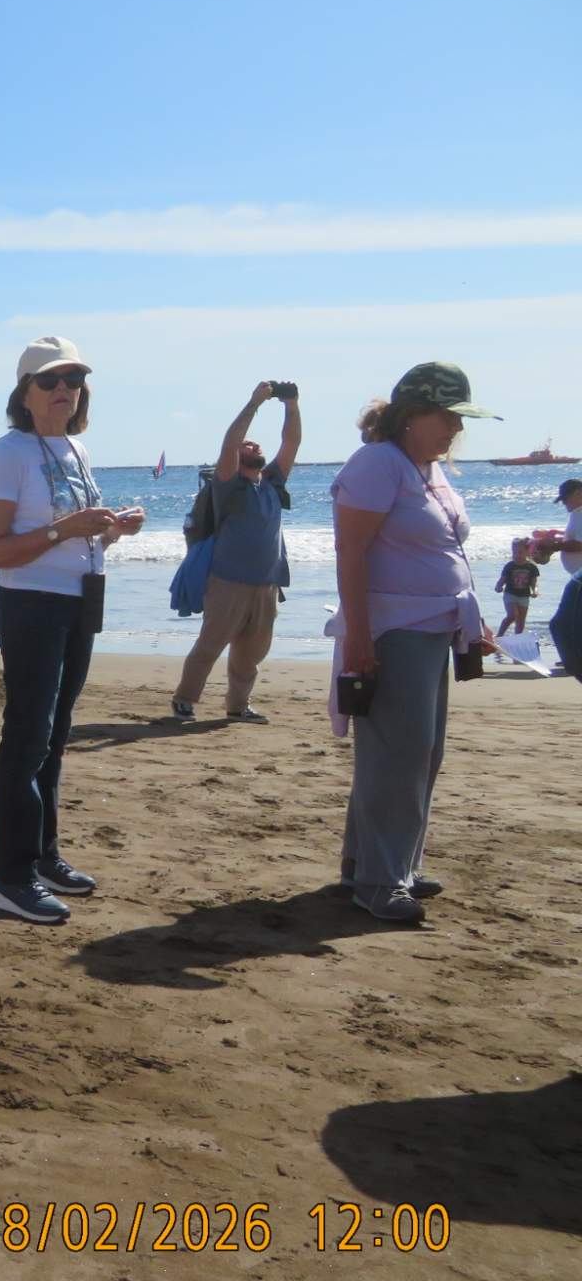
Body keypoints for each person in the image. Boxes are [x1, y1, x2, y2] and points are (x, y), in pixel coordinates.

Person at [0, 335, 145, 924]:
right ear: (24, 393)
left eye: (72, 380)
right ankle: (10, 876)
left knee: (56, 733)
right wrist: (64, 529)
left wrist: (111, 528)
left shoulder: (76, 449)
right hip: (31, 607)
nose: (63, 390)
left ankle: (43, 856)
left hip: (78, 603)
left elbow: (76, 533)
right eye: (49, 381)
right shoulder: (9, 453)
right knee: (27, 737)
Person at [328, 362, 499, 922]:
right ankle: (380, 881)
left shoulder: (425, 466)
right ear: (412, 415)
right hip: (393, 631)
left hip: (434, 631)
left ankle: (381, 863)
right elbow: (351, 554)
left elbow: (443, 551)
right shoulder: (378, 463)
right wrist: (358, 636)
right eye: (447, 415)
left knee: (418, 754)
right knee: (398, 757)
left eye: (459, 417)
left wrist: (474, 622)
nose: (455, 427)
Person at [171, 382, 303, 723]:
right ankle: (185, 699)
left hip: (267, 583)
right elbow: (230, 442)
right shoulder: (228, 484)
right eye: (248, 444)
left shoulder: (272, 482)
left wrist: (291, 404)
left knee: (252, 653)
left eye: (254, 443)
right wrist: (255, 402)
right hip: (228, 581)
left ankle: (238, 705)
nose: (253, 443)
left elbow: (291, 442)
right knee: (210, 646)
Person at [548, 478, 582, 677]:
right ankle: (573, 657)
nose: (564, 503)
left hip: (580, 582)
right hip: (577, 579)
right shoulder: (576, 514)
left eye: (566, 498)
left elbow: (580, 544)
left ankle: (573, 659)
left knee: (562, 623)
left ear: (578, 492)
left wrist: (555, 545)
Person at [493, 537, 539, 639]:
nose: (516, 555)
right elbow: (502, 579)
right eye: (514, 552)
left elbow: (534, 583)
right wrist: (498, 586)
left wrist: (535, 591)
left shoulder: (531, 567)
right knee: (512, 615)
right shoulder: (510, 566)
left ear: (527, 552)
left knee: (521, 620)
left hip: (524, 596)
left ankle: (517, 639)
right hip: (510, 595)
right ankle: (499, 635)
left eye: (520, 552)